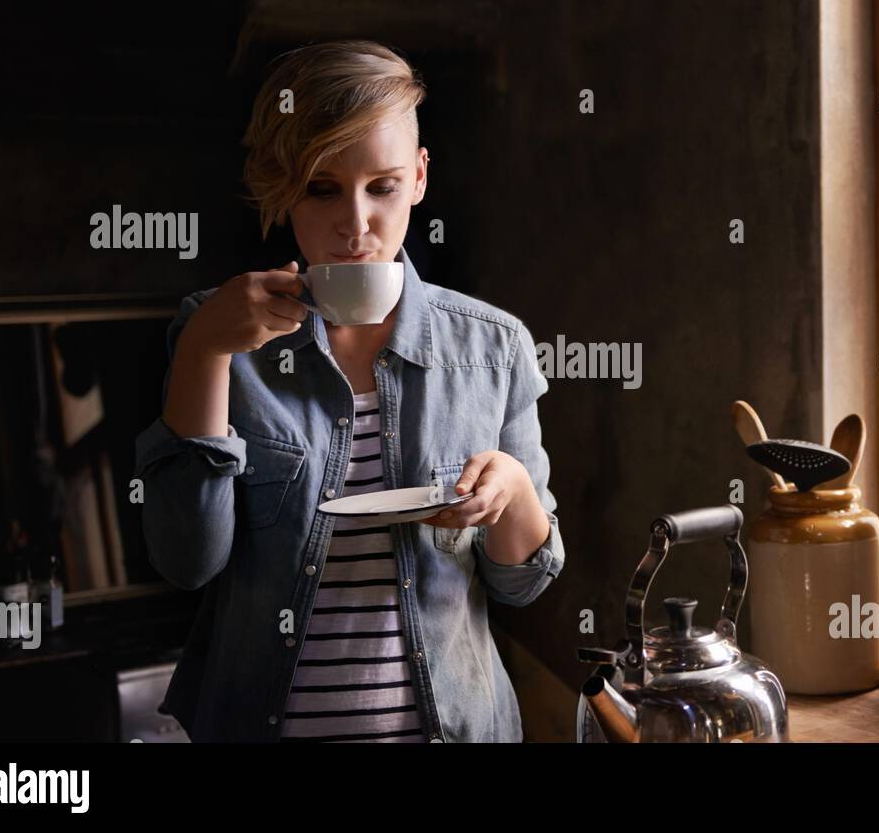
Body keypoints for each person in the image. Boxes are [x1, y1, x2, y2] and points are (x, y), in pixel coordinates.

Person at [133, 40, 565, 742]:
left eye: (383, 186)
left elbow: (523, 585)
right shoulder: (215, 331)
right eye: (322, 188)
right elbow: (187, 562)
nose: (355, 225)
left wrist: (513, 492)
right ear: (281, 190)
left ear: (420, 178)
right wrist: (207, 350)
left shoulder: (494, 346)